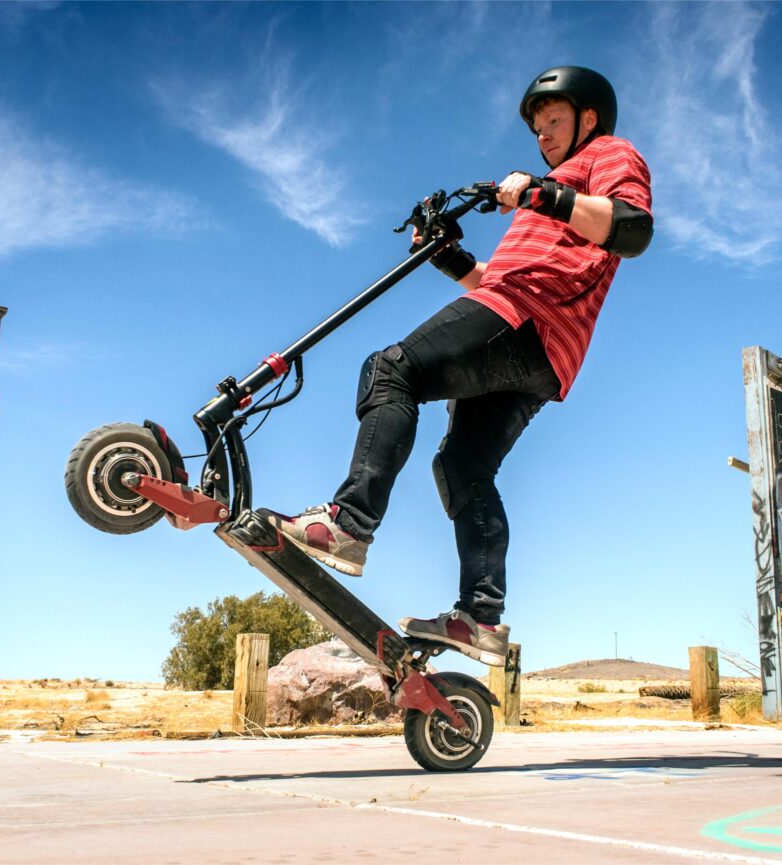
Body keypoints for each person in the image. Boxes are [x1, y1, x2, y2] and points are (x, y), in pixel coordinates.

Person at [261, 66, 653, 666]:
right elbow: (495, 281)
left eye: (554, 121)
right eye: (537, 127)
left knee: (393, 369)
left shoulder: (608, 155)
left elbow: (632, 229)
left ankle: (349, 524)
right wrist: (451, 257)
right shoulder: (545, 196)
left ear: (589, 118)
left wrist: (546, 194)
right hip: (536, 347)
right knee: (463, 466)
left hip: (527, 319)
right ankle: (480, 618)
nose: (544, 135)